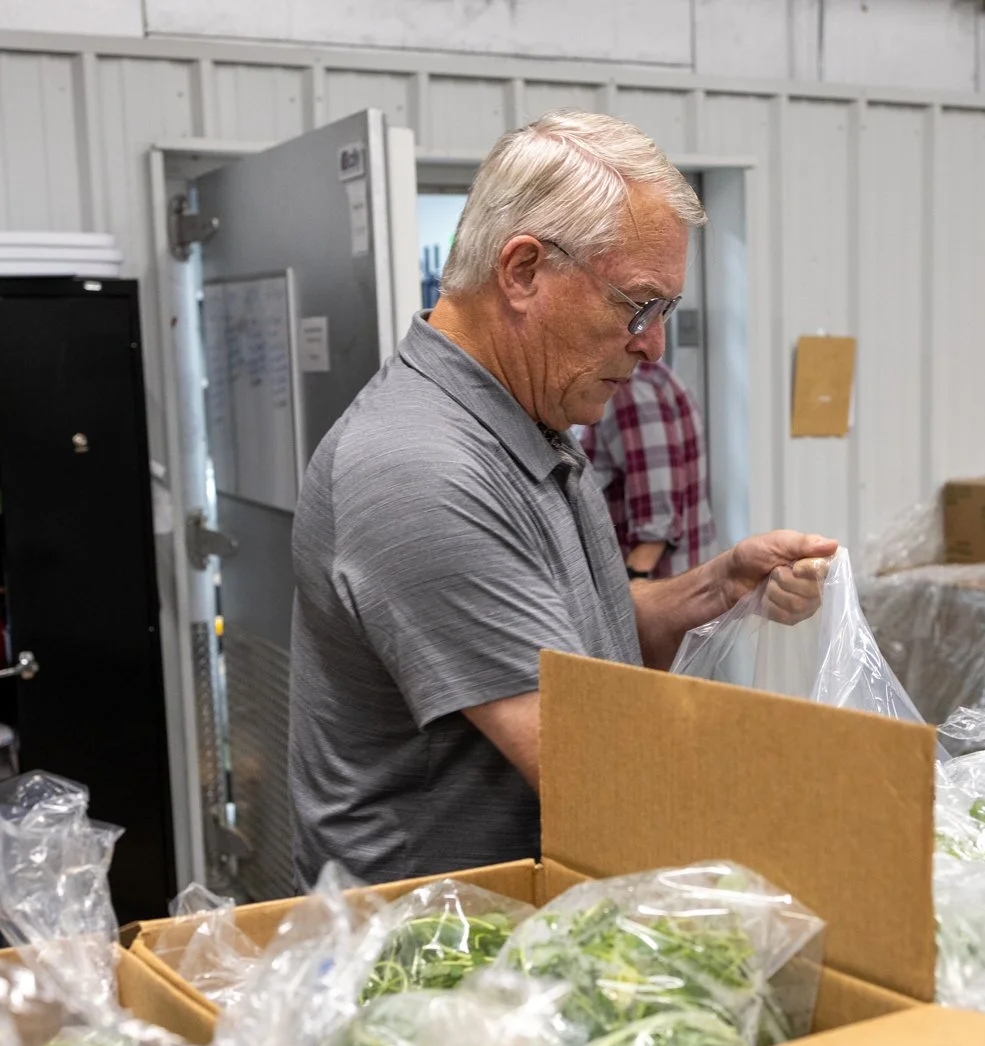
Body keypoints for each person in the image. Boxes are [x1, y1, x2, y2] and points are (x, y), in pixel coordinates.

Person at [288, 111, 835, 889]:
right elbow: (592, 768)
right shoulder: (420, 470)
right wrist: (833, 819)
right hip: (445, 958)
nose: (650, 345)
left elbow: (573, 647)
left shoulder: (533, 420)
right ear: (522, 272)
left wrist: (716, 588)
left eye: (663, 315)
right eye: (636, 306)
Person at [581, 357, 715, 579]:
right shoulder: (640, 378)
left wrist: (628, 593)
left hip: (662, 594)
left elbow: (656, 524)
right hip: (681, 588)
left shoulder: (629, 388)